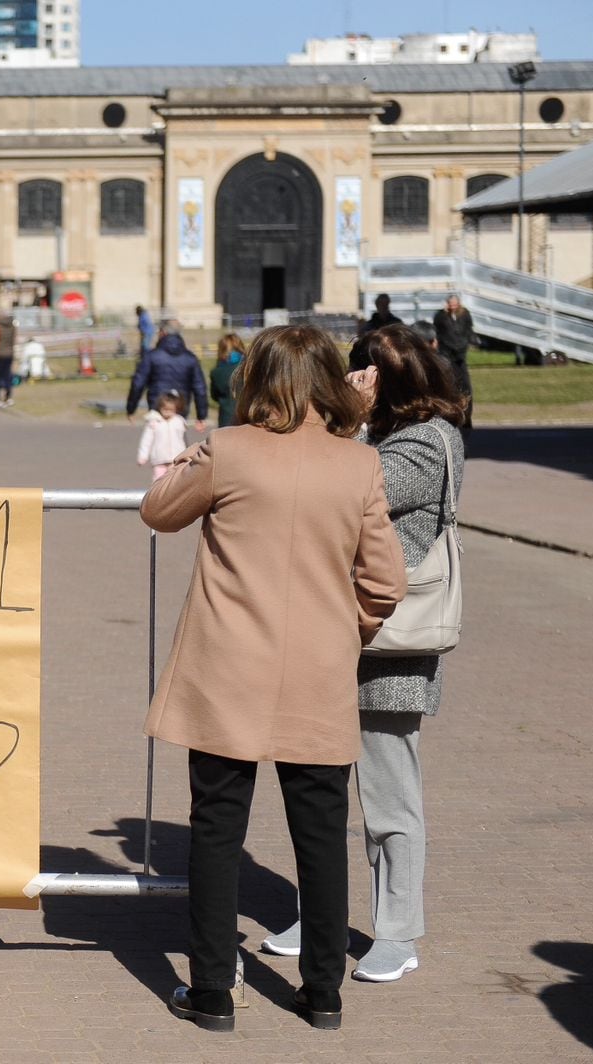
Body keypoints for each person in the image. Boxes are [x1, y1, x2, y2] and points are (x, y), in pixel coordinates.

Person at [142, 325, 406, 1034]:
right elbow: (386, 581)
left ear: (255, 378)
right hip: (318, 665)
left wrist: (201, 451)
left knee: (217, 828)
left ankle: (212, 992)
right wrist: (347, 629)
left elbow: (158, 510)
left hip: (228, 664)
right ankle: (323, 991)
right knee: (320, 834)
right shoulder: (357, 466)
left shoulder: (229, 452)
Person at [263, 324, 467, 985]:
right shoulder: (376, 440)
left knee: (388, 795)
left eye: (366, 371)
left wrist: (336, 415)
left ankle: (398, 931)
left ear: (397, 378)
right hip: (334, 632)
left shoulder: (425, 445)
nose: (354, 380)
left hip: (389, 641)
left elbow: (332, 486)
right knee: (318, 793)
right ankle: (321, 915)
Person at [126, 320, 207, 430]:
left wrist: (131, 408)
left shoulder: (151, 356)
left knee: (156, 441)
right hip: (180, 407)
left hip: (158, 406)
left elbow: (138, 383)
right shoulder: (190, 358)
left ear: (163, 332)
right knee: (178, 441)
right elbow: (200, 388)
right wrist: (201, 415)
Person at [432, 295, 474, 440]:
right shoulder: (440, 316)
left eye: (455, 304)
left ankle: (467, 417)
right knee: (450, 386)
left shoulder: (464, 314)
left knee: (466, 387)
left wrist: (464, 346)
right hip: (447, 354)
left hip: (460, 356)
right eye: (451, 304)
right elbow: (438, 332)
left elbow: (468, 331)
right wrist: (445, 314)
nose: (453, 307)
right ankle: (450, 416)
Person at [136, 389, 188, 480]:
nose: (167, 412)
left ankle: (173, 494)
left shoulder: (179, 421)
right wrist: (143, 456)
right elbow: (146, 440)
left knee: (174, 479)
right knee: (158, 480)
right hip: (159, 458)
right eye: (165, 409)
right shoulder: (154, 422)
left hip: (176, 457)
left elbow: (183, 439)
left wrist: (186, 454)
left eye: (171, 410)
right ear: (160, 408)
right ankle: (158, 494)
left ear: (176, 409)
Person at [209, 332, 245, 428]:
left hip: (226, 418)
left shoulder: (217, 372)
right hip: (248, 417)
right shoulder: (251, 367)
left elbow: (214, 396)